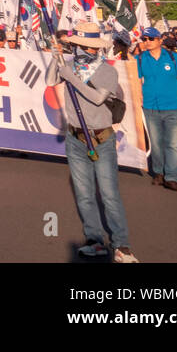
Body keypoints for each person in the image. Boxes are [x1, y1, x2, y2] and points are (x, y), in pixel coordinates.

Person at [47, 22, 138, 263]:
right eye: (76, 45)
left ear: (93, 48)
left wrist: (71, 77)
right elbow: (49, 81)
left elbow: (98, 98)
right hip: (74, 138)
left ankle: (122, 245)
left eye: (82, 45)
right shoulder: (69, 66)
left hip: (101, 138)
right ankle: (95, 241)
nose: (79, 49)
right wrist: (55, 59)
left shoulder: (107, 71)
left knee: (109, 194)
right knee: (84, 194)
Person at [133, 27, 177, 191]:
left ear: (159, 40)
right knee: (156, 144)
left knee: (174, 144)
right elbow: (136, 80)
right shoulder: (139, 59)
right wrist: (139, 98)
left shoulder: (174, 58)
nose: (147, 42)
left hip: (174, 107)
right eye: (144, 39)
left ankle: (171, 177)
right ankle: (158, 172)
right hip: (150, 108)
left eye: (151, 39)